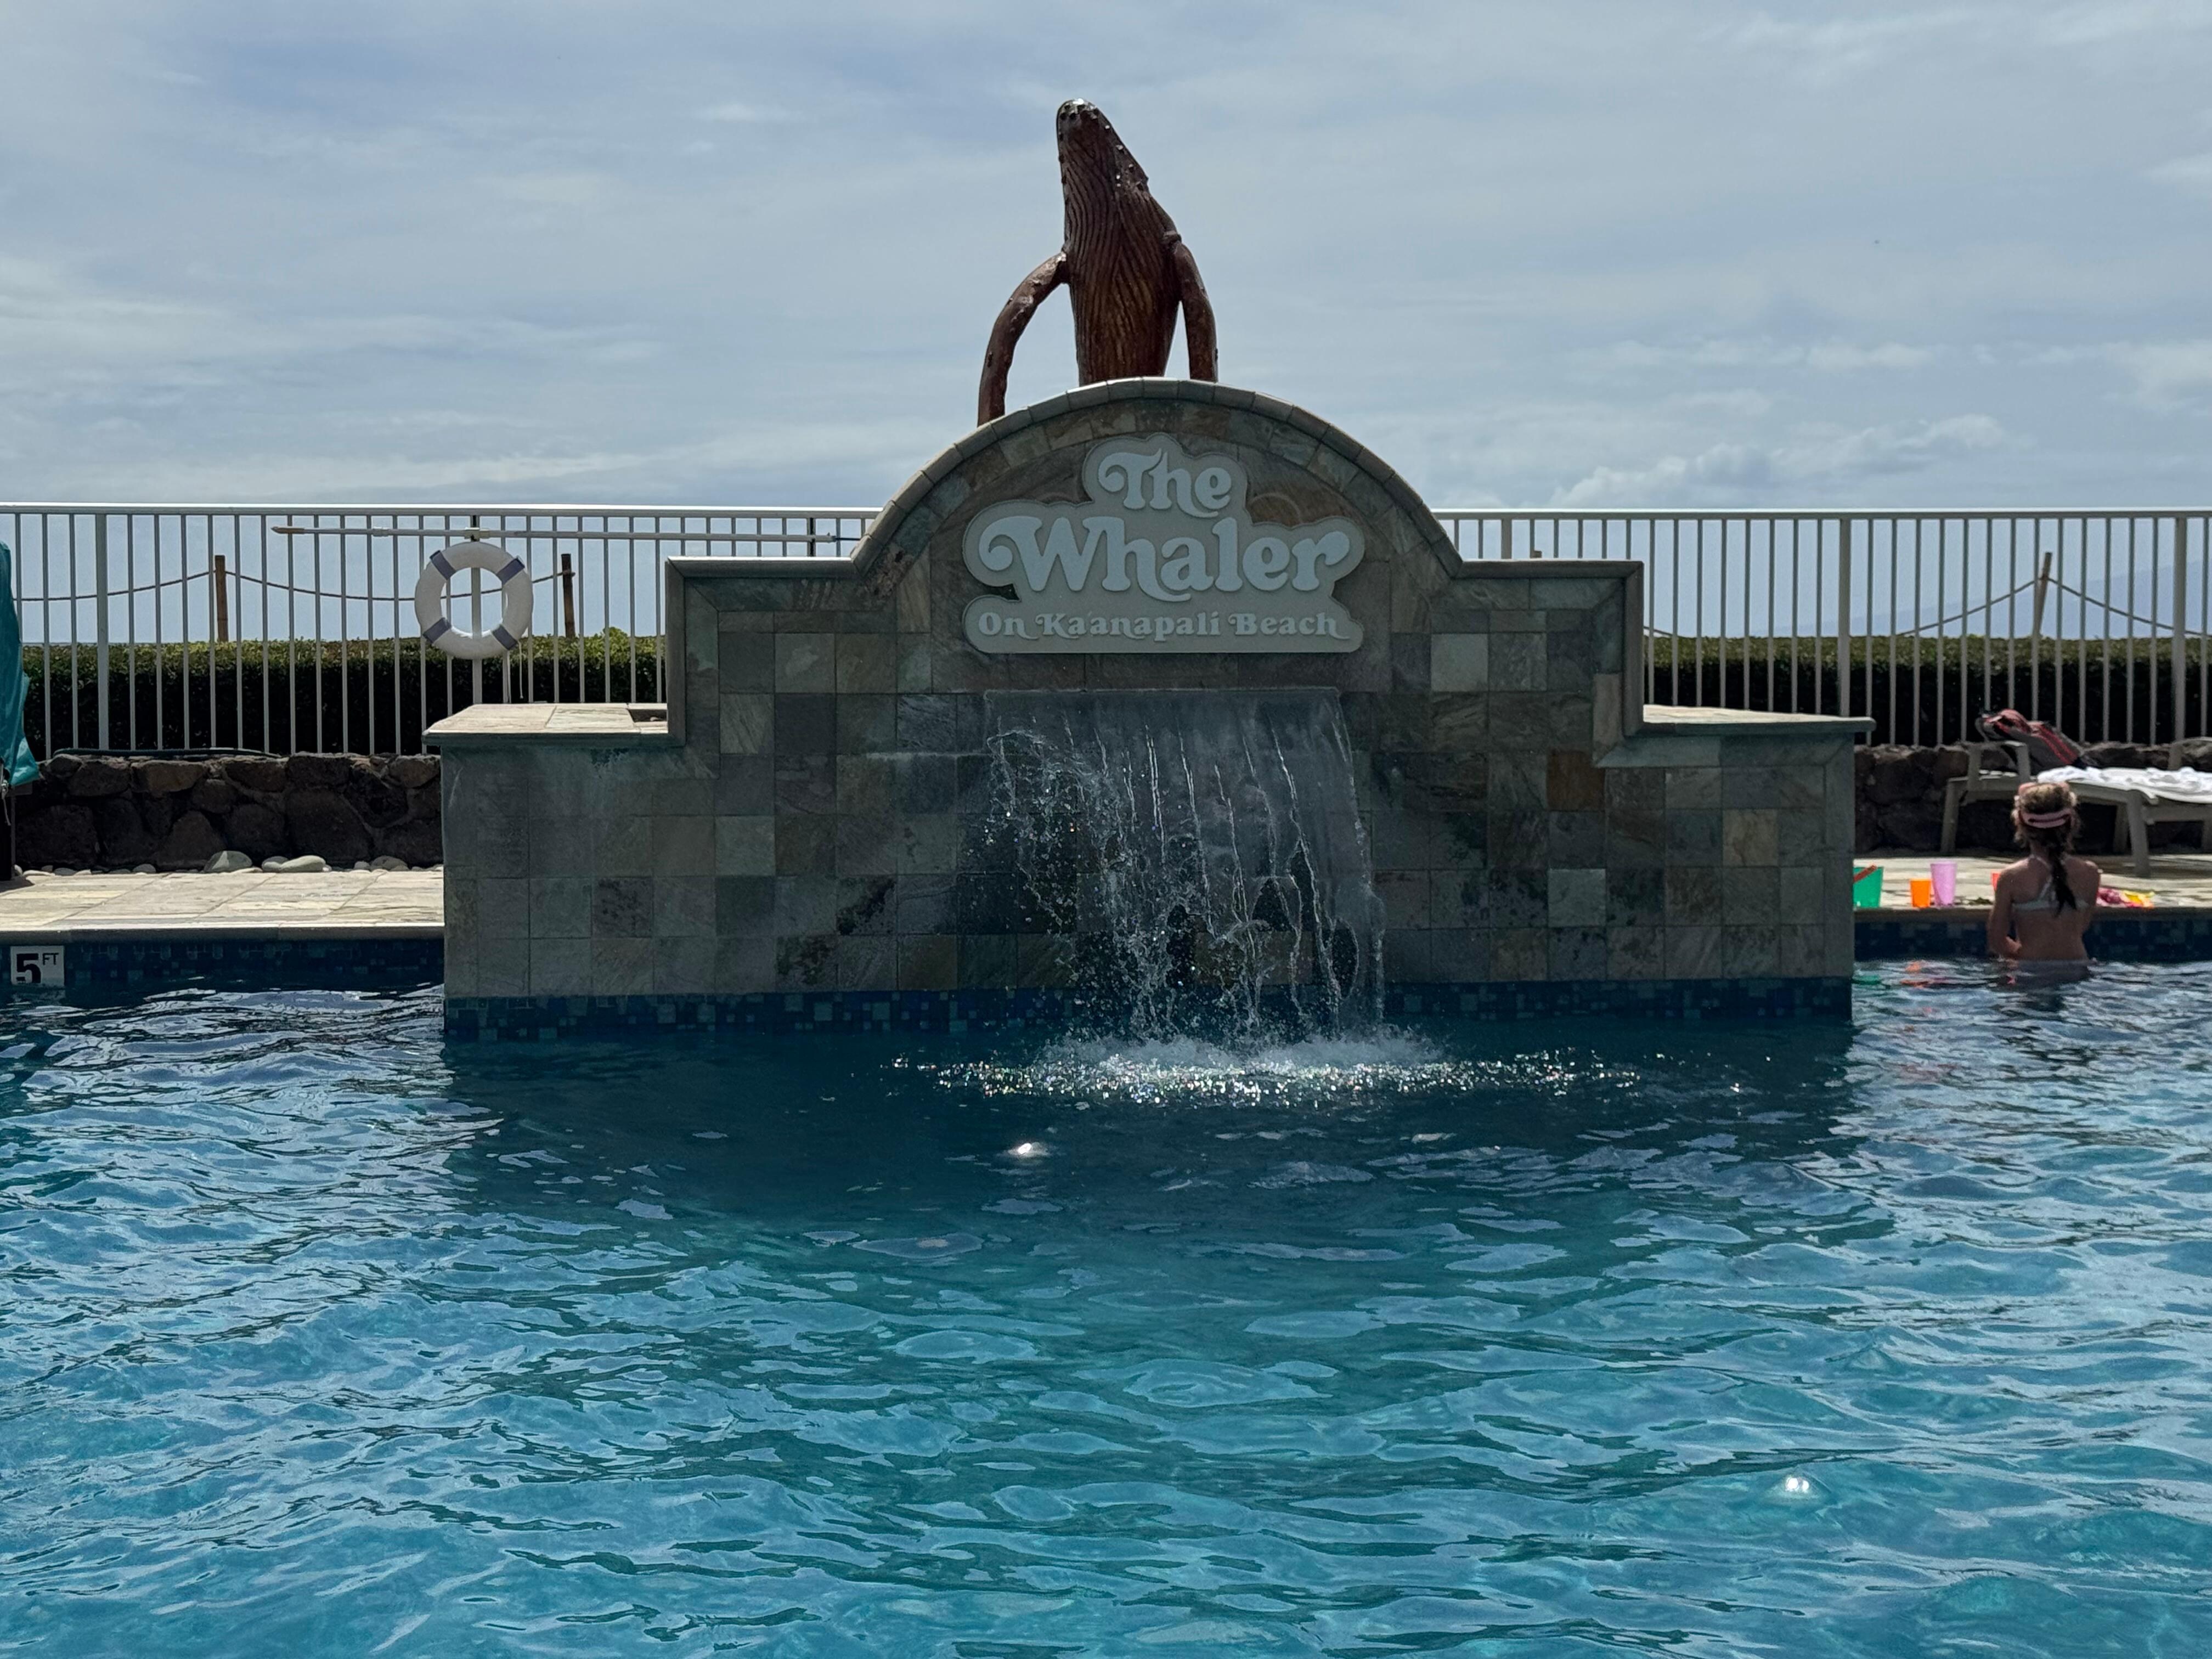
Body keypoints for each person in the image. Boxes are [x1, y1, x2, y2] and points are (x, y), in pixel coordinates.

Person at [1987, 780, 2098, 963]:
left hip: (2032, 969)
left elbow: (1997, 940)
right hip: (2078, 969)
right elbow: (2081, 926)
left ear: (2020, 823)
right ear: (2071, 823)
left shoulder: (2012, 877)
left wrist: (2024, 958)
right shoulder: (2090, 873)